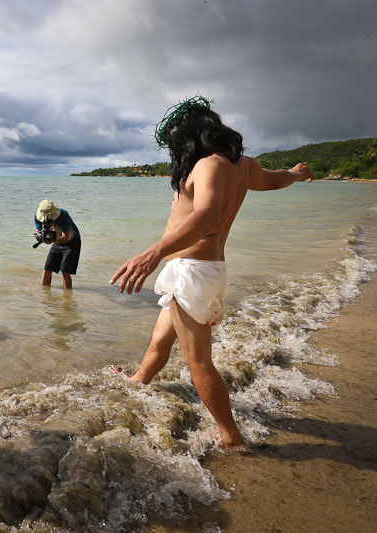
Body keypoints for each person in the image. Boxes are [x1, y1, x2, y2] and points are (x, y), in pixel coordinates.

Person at [108, 96, 314, 454]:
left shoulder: (207, 165)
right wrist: (296, 174)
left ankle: (230, 437)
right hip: (204, 270)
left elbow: (207, 217)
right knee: (160, 340)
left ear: (188, 139)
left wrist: (153, 253)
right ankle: (139, 381)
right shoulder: (242, 165)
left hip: (192, 272)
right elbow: (274, 181)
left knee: (199, 361)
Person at [34, 200, 81, 289]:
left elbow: (66, 237)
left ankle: (67, 295)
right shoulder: (37, 217)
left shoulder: (63, 215)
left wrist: (53, 240)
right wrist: (40, 238)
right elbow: (38, 233)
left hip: (72, 242)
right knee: (47, 269)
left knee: (64, 271)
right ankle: (44, 294)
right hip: (56, 241)